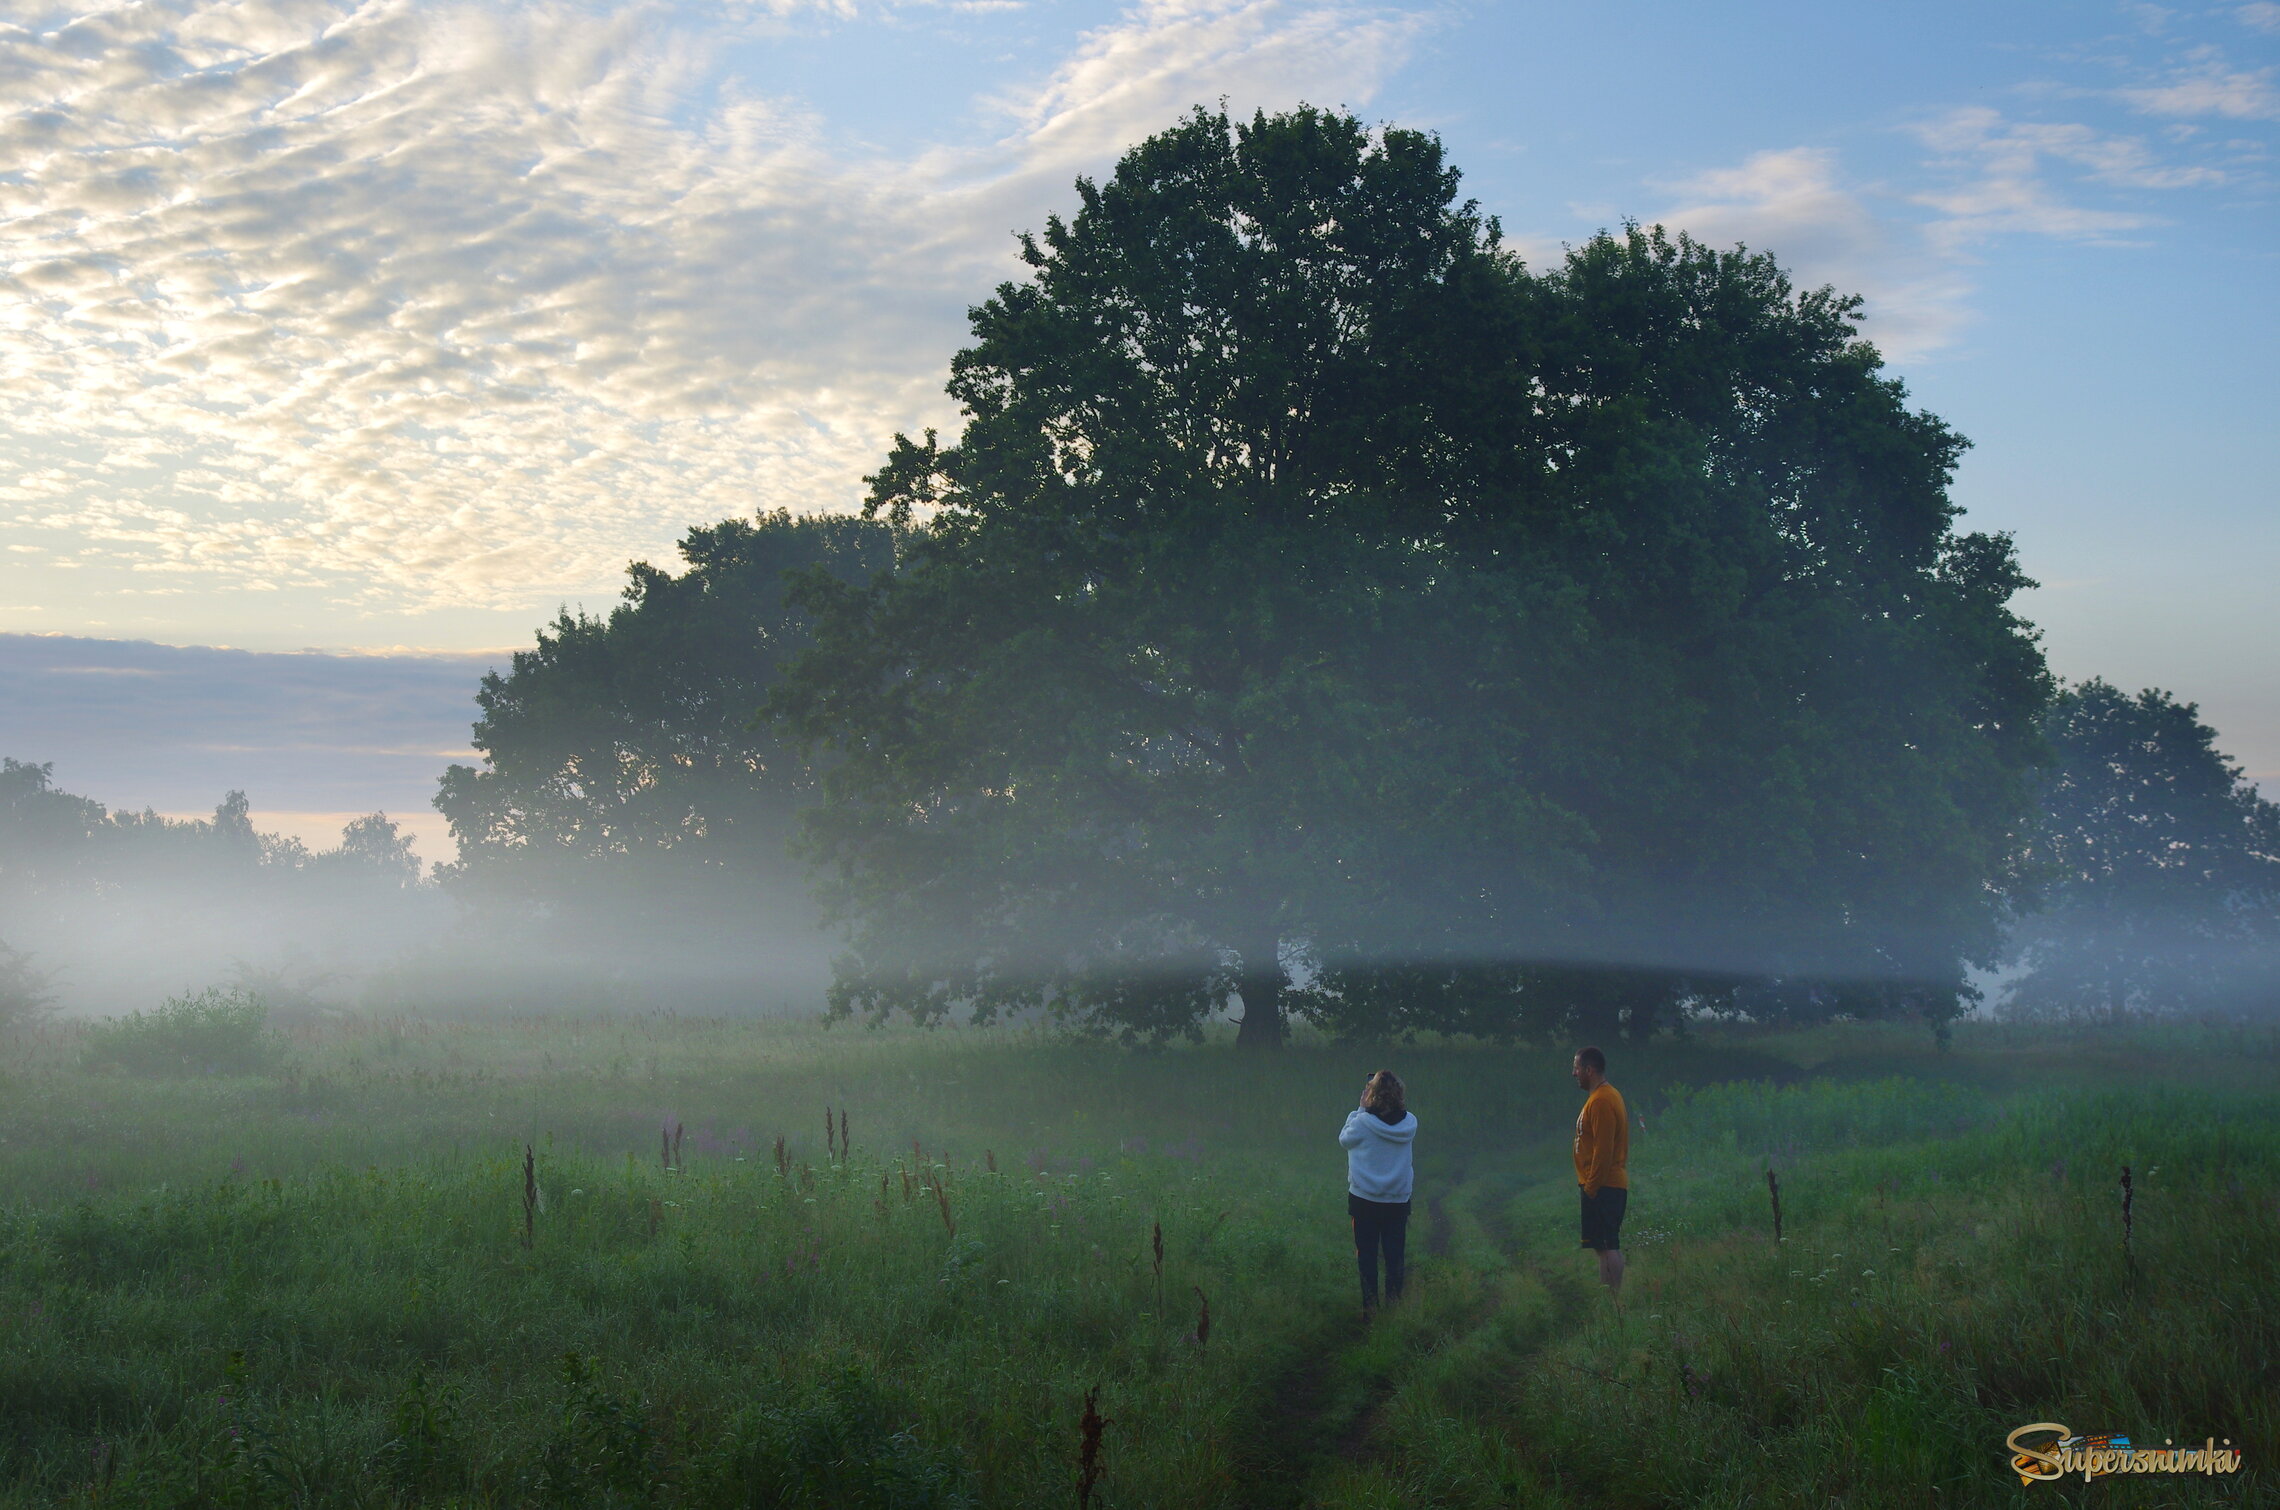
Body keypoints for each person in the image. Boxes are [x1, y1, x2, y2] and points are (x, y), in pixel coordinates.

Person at [1340, 1069, 1417, 1316]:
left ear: (1370, 1094)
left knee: (1367, 1256)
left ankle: (1370, 1307)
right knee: (1395, 1256)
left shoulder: (1362, 1122)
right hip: (1397, 1200)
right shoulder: (1410, 1123)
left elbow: (1344, 1139)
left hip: (1364, 1201)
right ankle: (1394, 1307)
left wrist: (1360, 1109)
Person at [1571, 1045, 1628, 1300]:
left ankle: (1612, 1303)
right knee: (1603, 1245)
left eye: (1576, 1068)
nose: (1574, 1073)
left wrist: (1592, 1187)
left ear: (1589, 1070)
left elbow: (1603, 1150)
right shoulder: (1601, 1097)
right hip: (1601, 1184)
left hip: (1603, 1185)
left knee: (1607, 1246)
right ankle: (1610, 1301)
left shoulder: (1603, 1100)